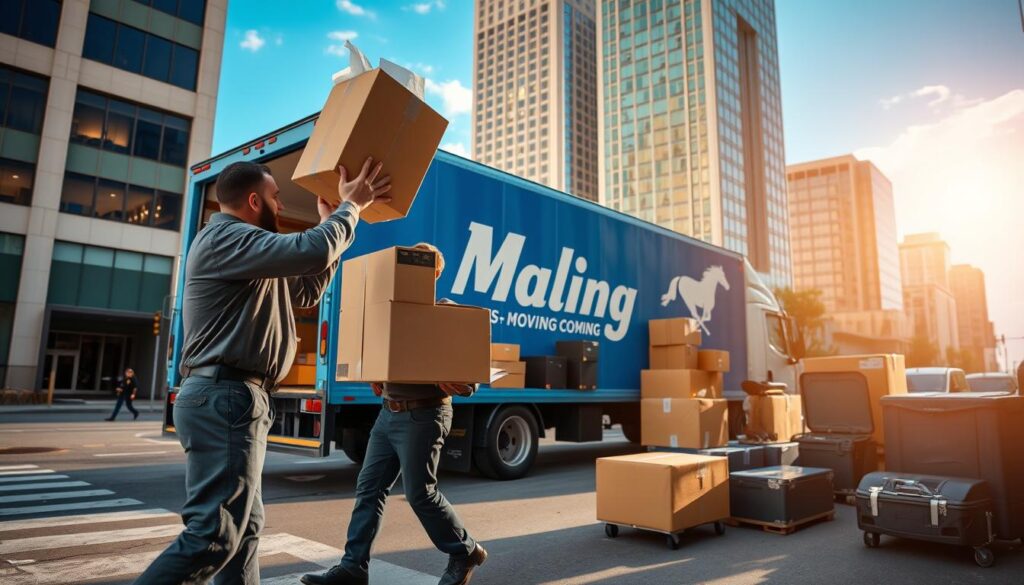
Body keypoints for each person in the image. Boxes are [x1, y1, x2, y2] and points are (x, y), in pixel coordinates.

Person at [135, 158, 390, 585]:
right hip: (225, 395)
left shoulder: (249, 251)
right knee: (213, 537)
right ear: (254, 201)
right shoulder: (226, 238)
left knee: (244, 532)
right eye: (275, 196)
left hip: (231, 396)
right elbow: (311, 249)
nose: (280, 203)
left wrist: (336, 227)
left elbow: (307, 287)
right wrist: (351, 209)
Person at [302, 243, 487, 585]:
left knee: (420, 493)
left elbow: (471, 378)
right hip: (388, 414)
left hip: (424, 416)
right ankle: (353, 567)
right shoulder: (389, 311)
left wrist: (458, 383)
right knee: (368, 489)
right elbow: (380, 352)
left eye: (420, 267)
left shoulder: (446, 312)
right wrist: (376, 373)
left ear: (434, 275)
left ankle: (465, 550)